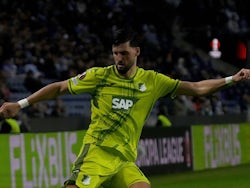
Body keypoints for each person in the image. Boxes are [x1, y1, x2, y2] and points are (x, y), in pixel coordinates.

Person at [0, 26, 250, 188]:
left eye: (124, 53)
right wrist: (21, 103)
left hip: (124, 161)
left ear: (137, 52)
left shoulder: (153, 81)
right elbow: (60, 87)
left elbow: (196, 88)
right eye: (116, 53)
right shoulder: (100, 75)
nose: (119, 59)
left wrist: (231, 79)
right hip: (97, 153)